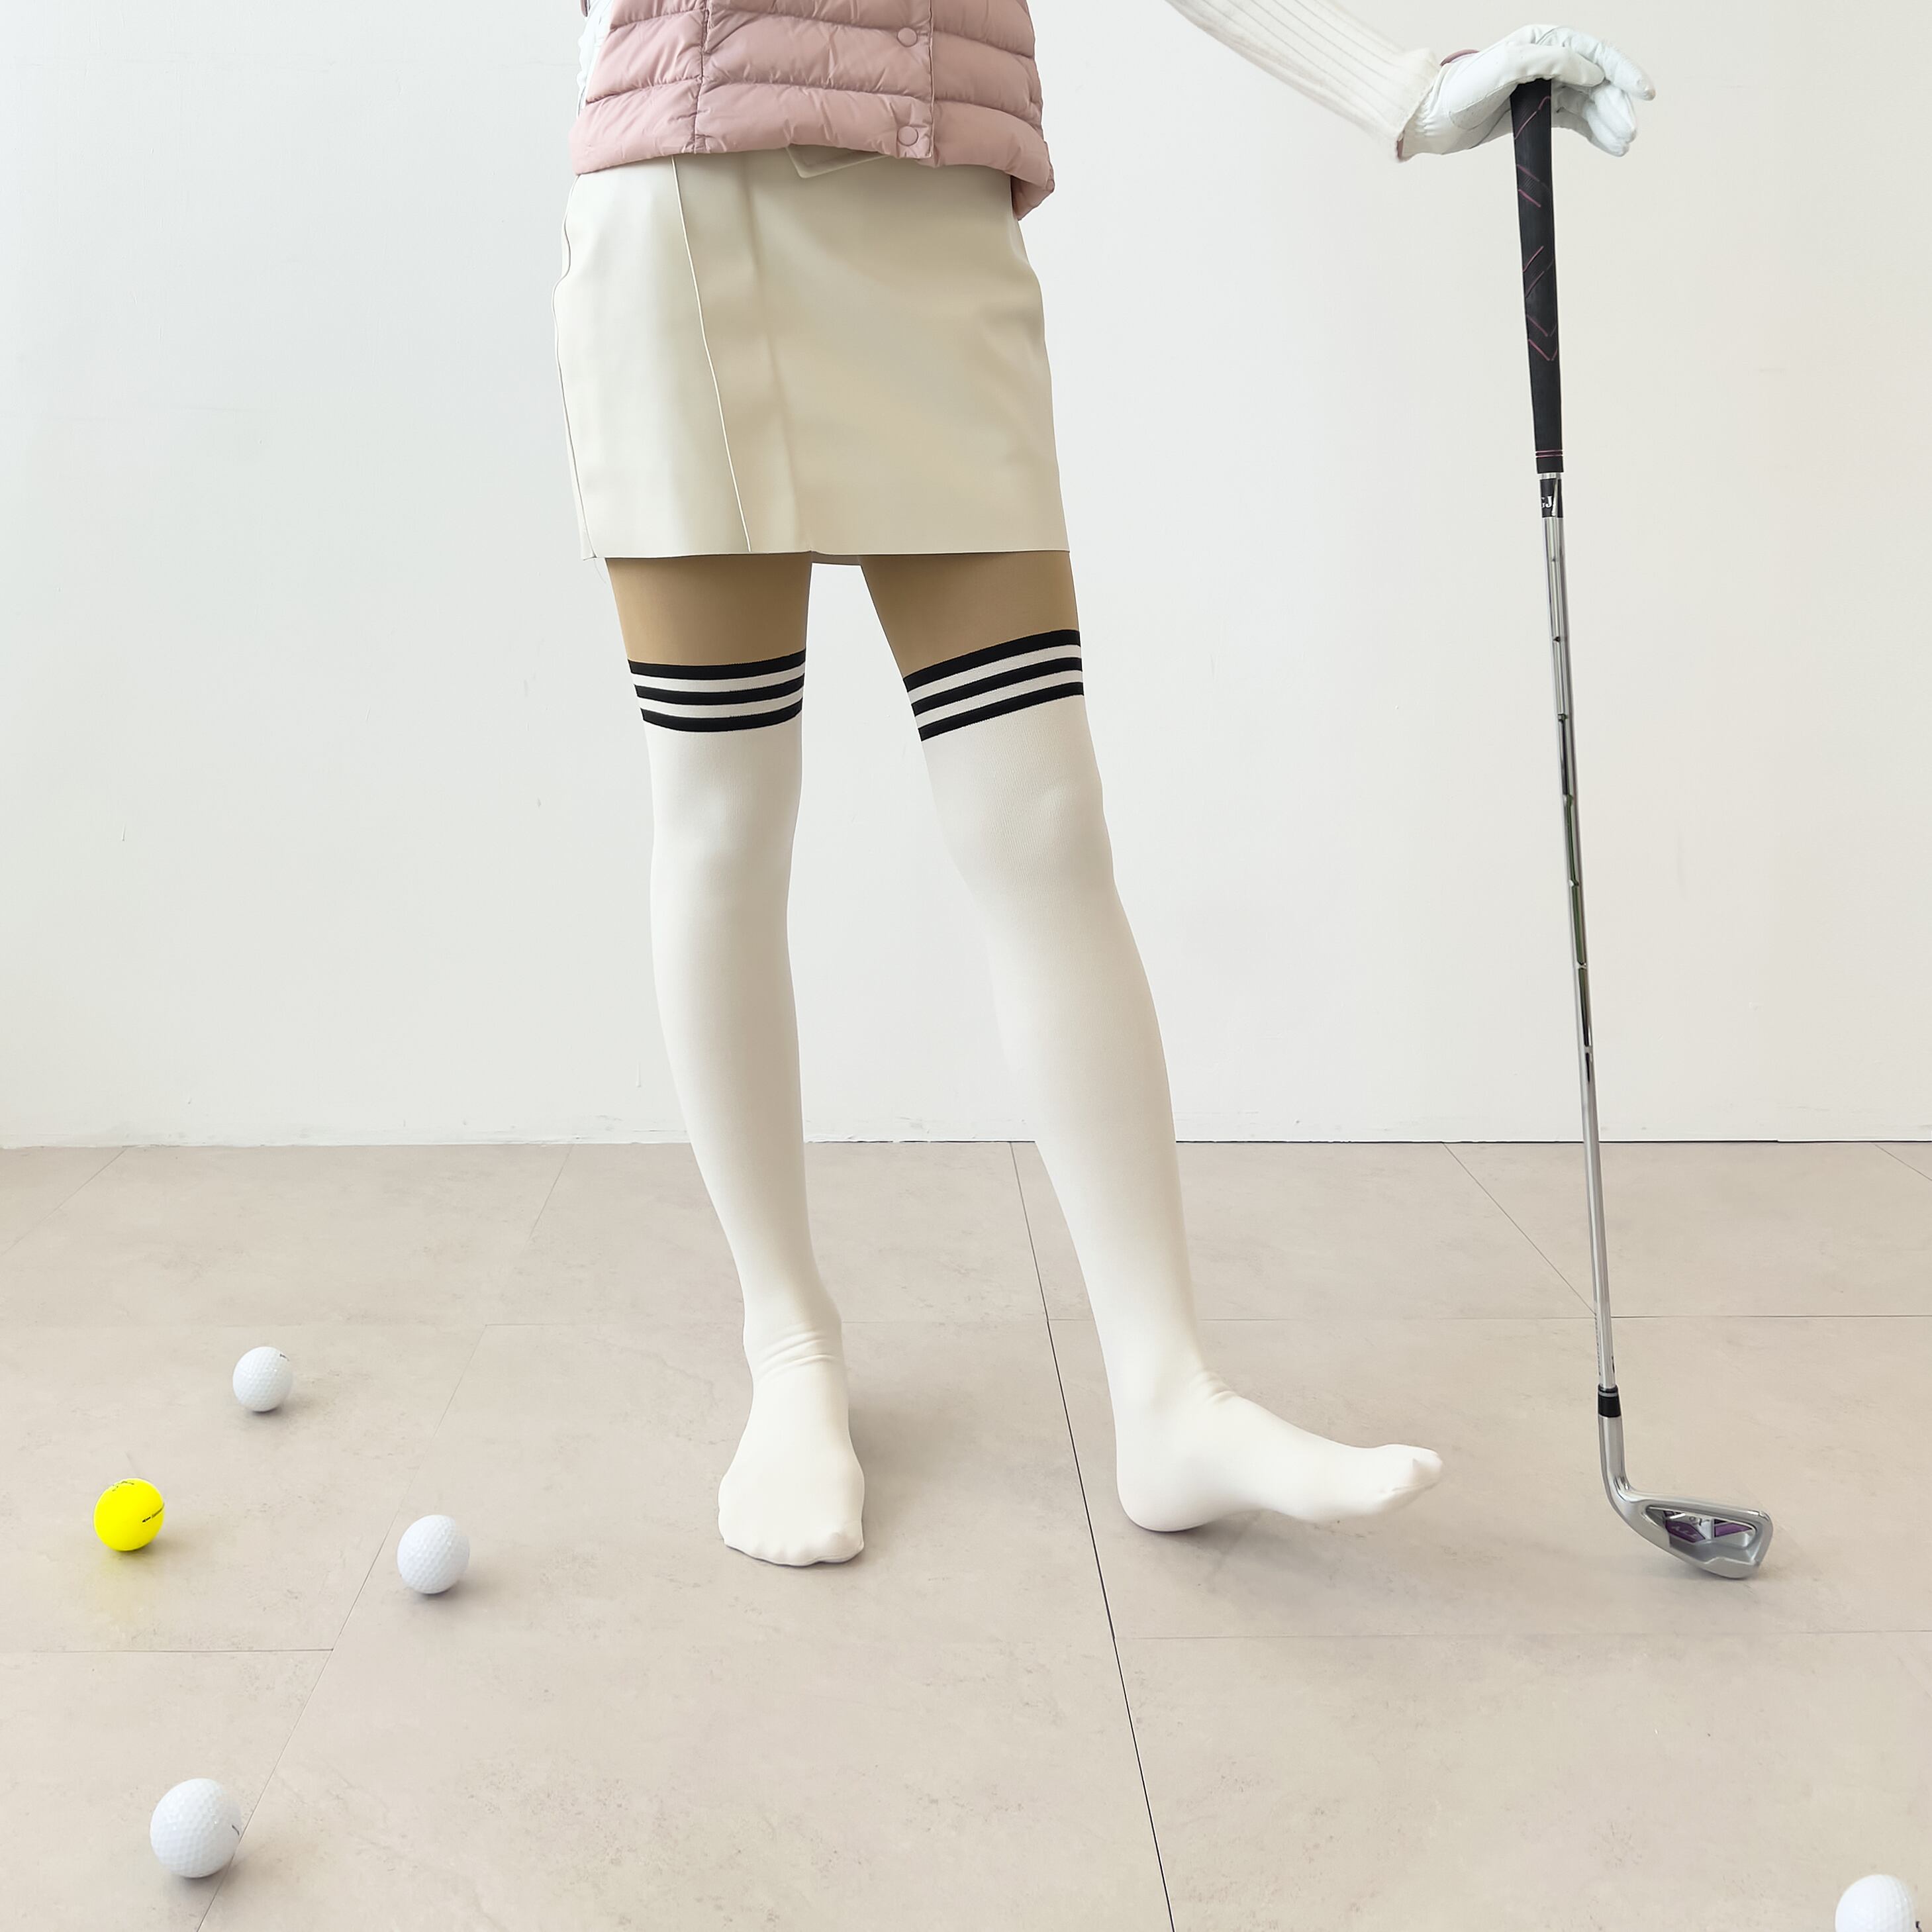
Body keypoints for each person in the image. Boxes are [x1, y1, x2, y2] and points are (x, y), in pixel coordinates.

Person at [553, 3, 1652, 1567]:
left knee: (1043, 820)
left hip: (938, 221)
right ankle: (787, 1348)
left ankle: (1166, 1393)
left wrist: (1403, 92)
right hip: (693, 197)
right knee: (725, 815)